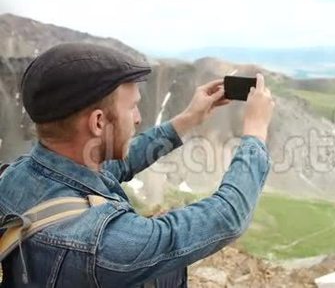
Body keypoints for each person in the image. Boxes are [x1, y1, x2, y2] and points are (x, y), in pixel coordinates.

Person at [0, 42, 274, 287]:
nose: (138, 118)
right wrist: (255, 133)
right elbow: (226, 217)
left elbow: (114, 167)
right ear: (98, 122)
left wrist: (189, 118)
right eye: (131, 107)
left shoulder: (17, 175)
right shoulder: (104, 244)